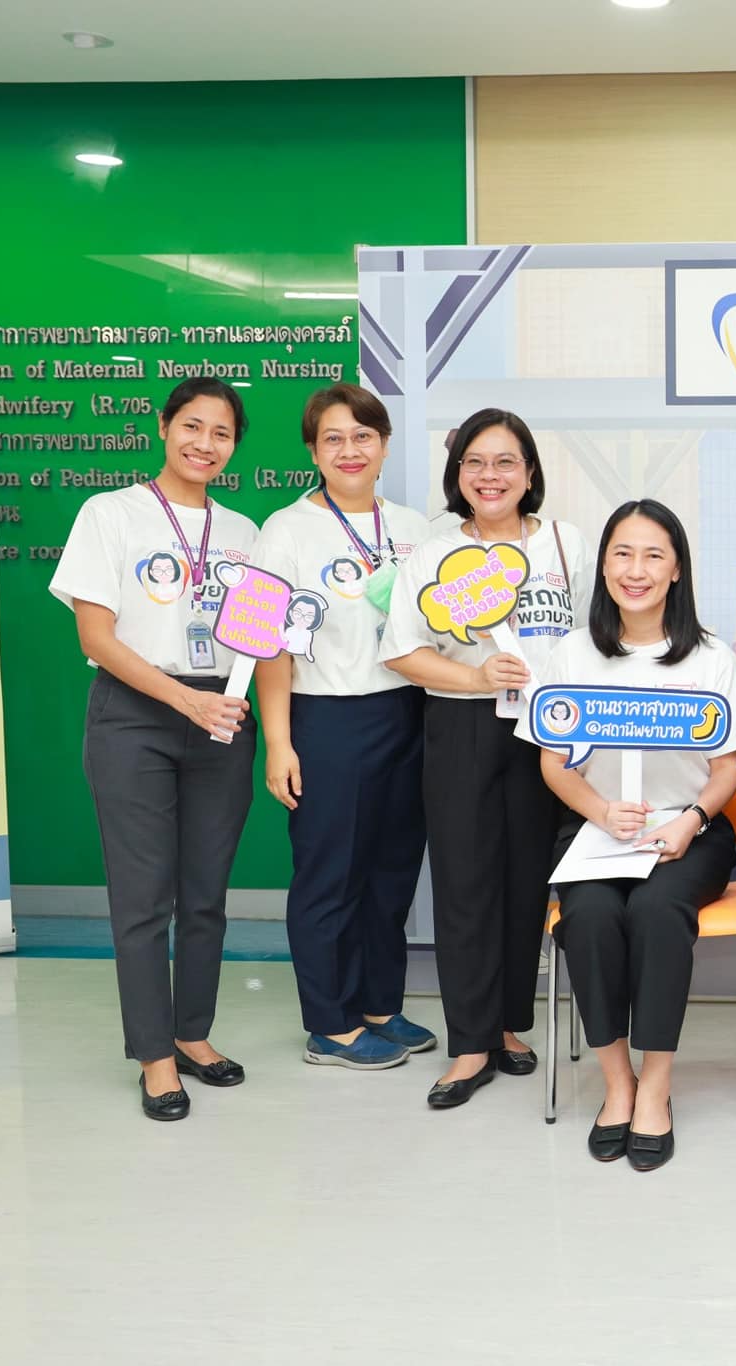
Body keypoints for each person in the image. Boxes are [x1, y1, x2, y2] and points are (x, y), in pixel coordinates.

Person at [48, 377, 259, 1121]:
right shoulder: (110, 513)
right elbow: (95, 638)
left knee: (205, 894)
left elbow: (257, 638)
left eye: (222, 433)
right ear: (163, 426)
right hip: (135, 713)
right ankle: (155, 1058)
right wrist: (184, 699)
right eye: (192, 426)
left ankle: (193, 1033)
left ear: (235, 445)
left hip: (222, 716)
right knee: (144, 899)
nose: (205, 444)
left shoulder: (243, 533)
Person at [521, 500, 736, 1170]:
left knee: (654, 910)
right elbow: (550, 760)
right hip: (596, 826)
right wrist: (596, 809)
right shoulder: (573, 652)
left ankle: (657, 1085)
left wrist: (690, 821)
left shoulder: (710, 659)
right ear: (605, 565)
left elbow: (726, 768)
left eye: (654, 555)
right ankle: (616, 1083)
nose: (636, 569)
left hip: (687, 828)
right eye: (623, 553)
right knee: (587, 917)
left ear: (676, 569)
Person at [381, 408, 583, 1108]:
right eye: (475, 462)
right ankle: (469, 1043)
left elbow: (601, 634)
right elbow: (402, 650)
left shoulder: (566, 543)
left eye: (504, 462)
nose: (489, 476)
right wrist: (474, 678)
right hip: (463, 728)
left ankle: (508, 1023)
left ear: (530, 472)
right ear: (457, 473)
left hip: (553, 736)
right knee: (465, 883)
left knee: (528, 881)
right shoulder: (433, 554)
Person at [252, 384, 436, 1072]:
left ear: (384, 445)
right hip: (327, 715)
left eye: (363, 436)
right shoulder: (285, 531)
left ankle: (379, 1005)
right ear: (313, 451)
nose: (350, 450)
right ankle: (329, 1022)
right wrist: (280, 743)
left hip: (407, 712)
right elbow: (267, 645)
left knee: (391, 871)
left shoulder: (417, 529)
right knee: (331, 874)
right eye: (334, 438)